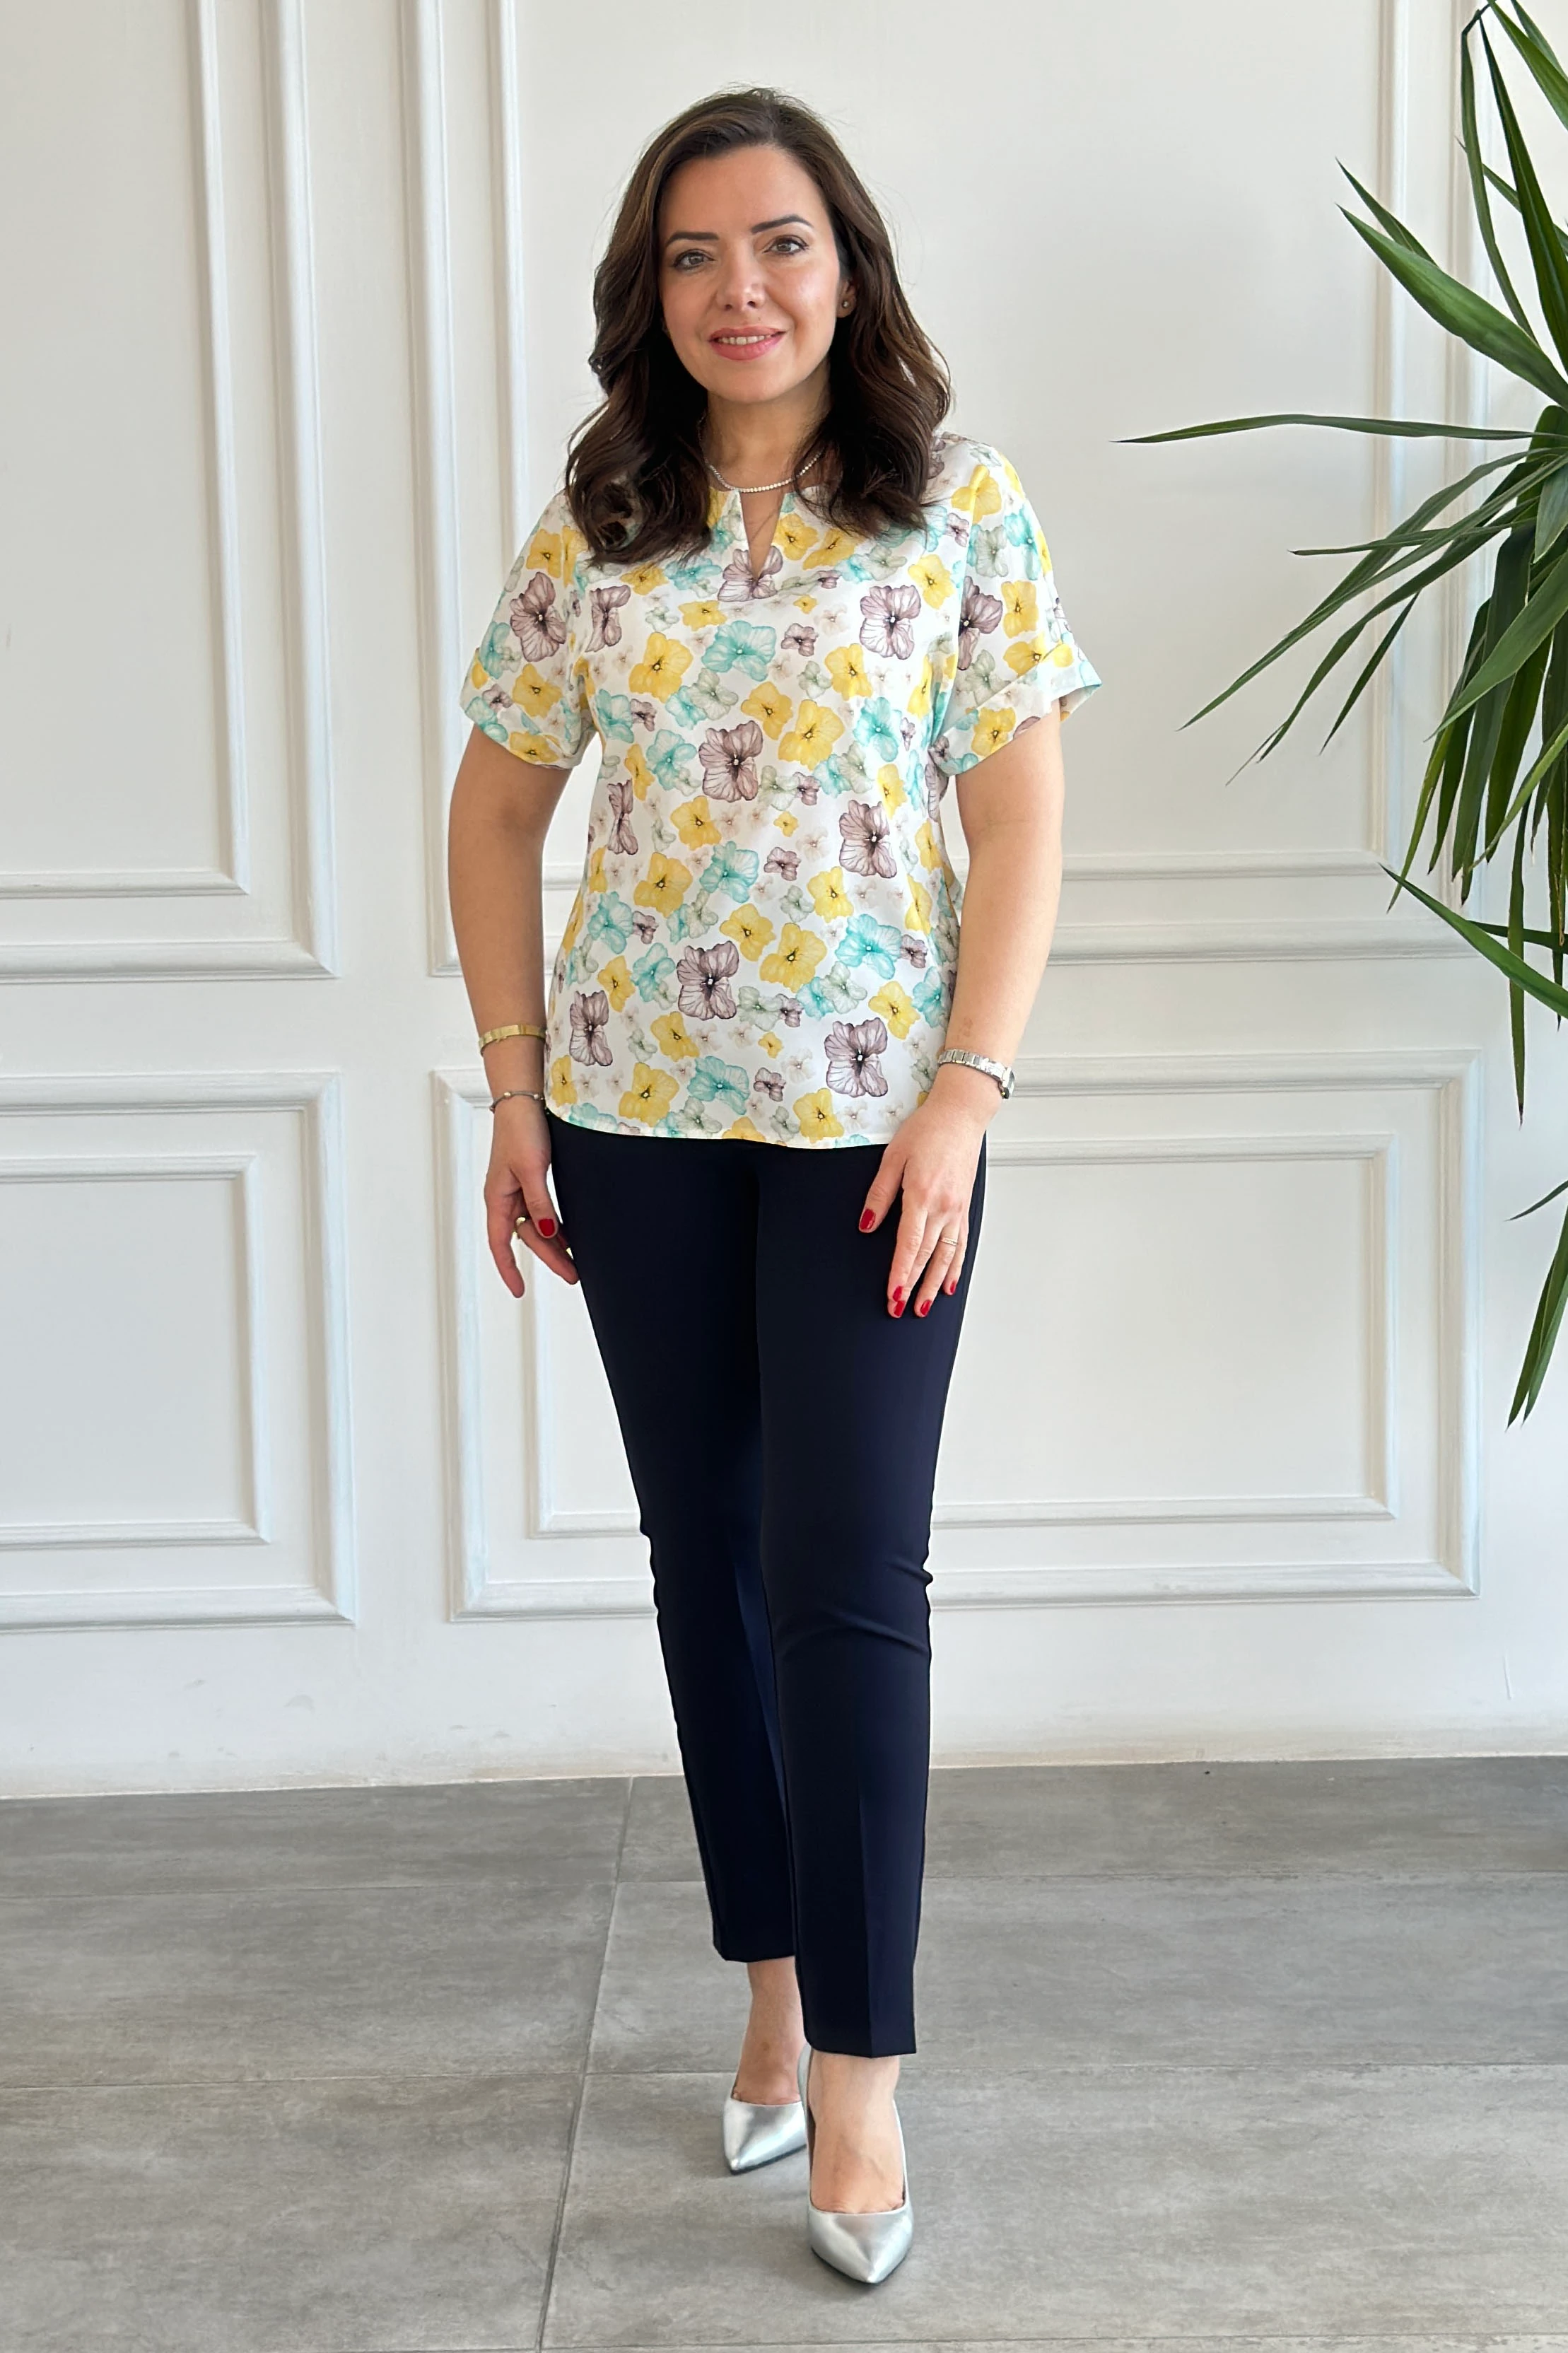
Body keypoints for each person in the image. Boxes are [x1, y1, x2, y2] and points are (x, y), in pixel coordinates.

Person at [447, 85, 1099, 2285]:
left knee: (848, 1571)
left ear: (849, 266)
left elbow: (1021, 814)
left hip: (876, 1137)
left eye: (783, 243)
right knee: (706, 1562)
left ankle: (863, 2075)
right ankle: (769, 1980)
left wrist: (966, 1095)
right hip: (632, 1125)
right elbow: (494, 811)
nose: (743, 288)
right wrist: (517, 1091)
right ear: (650, 290)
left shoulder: (955, 507)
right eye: (696, 254)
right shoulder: (600, 526)